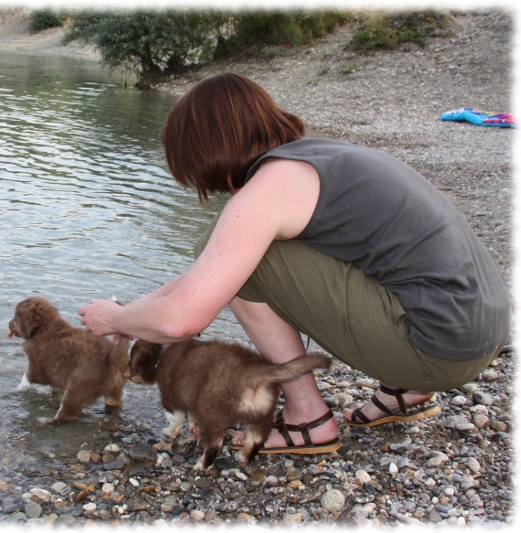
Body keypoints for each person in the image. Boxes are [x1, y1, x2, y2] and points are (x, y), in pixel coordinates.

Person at [77, 72, 511, 454]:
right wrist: (127, 316)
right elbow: (212, 271)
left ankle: (309, 416)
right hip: (481, 331)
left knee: (242, 256)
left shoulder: (270, 187)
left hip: (440, 348)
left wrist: (119, 315)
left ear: (208, 153)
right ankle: (407, 388)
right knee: (243, 256)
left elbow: (183, 320)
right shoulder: (320, 160)